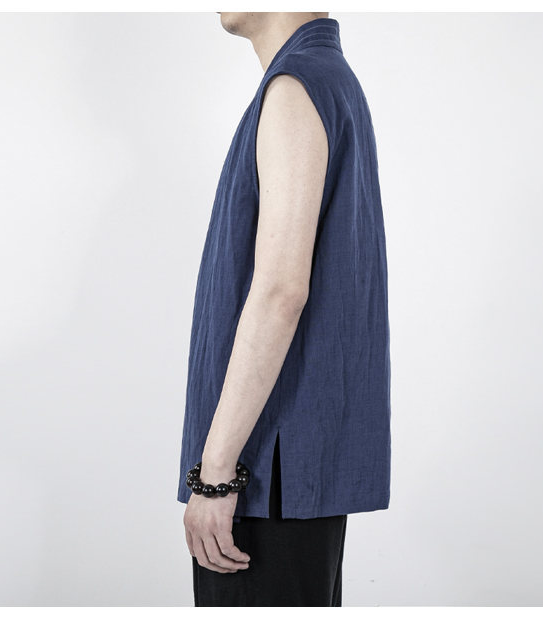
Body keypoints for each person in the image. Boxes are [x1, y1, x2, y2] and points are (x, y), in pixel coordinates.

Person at [176, 12, 391, 607]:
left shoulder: (296, 86)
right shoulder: (323, 79)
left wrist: (215, 474)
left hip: (265, 470)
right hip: (285, 468)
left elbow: (280, 290)